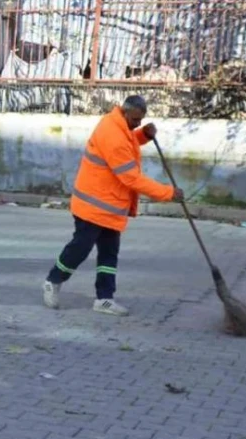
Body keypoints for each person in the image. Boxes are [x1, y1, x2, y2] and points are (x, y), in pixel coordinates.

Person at [42, 95, 183, 316]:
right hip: (93, 205)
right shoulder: (112, 134)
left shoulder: (119, 124)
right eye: (136, 120)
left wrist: (143, 135)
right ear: (125, 112)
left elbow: (129, 142)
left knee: (109, 254)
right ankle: (53, 280)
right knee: (80, 248)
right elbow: (131, 178)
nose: (138, 123)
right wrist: (168, 193)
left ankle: (104, 299)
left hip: (109, 206)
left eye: (141, 120)